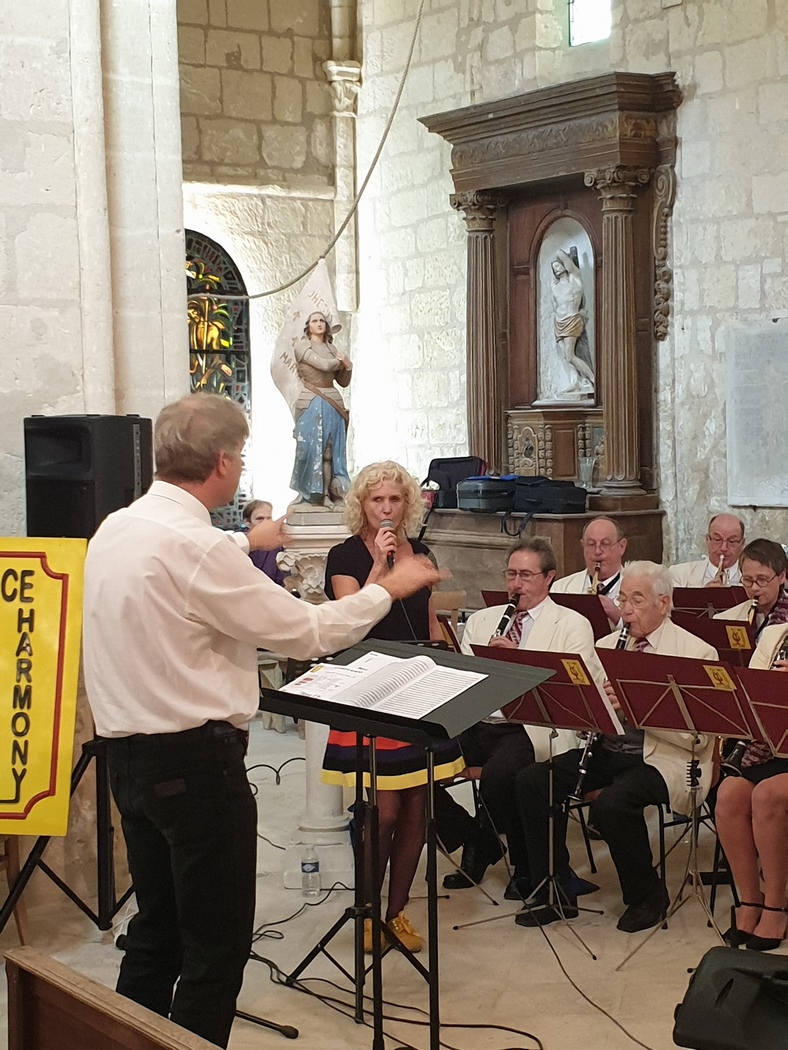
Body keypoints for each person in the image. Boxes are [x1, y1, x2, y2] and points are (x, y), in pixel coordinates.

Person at [81, 396, 441, 1048]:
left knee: (155, 936)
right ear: (221, 463)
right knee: (215, 953)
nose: (240, 464)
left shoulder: (118, 527)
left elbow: (189, 561)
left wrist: (247, 539)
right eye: (241, 456)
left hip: (128, 761)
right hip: (193, 765)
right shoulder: (196, 548)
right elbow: (307, 633)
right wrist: (390, 586)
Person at [514, 561, 718, 933]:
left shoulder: (695, 652)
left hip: (664, 757)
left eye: (636, 600)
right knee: (533, 781)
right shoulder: (607, 645)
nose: (626, 610)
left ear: (664, 603)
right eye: (622, 599)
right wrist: (588, 708)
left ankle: (646, 897)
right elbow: (590, 712)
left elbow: (699, 738)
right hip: (608, 749)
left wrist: (639, 707)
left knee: (612, 803)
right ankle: (556, 889)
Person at [321, 461, 464, 954]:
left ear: (407, 505)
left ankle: (396, 913)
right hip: (369, 690)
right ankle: (366, 911)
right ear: (360, 504)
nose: (385, 509)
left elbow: (426, 622)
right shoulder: (343, 555)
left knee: (415, 811)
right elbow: (349, 622)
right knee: (381, 812)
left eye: (394, 500)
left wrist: (449, 669)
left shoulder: (420, 552)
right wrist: (381, 569)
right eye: (376, 500)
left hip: (416, 688)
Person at [448, 537, 605, 898]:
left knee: (500, 776)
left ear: (549, 578)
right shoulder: (484, 620)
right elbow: (466, 678)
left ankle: (524, 866)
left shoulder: (571, 624)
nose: (516, 585)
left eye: (526, 576)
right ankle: (477, 838)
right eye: (511, 575)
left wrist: (518, 659)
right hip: (478, 721)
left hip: (530, 727)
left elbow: (574, 686)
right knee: (415, 761)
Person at [715, 623, 788, 952]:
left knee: (767, 795)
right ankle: (750, 900)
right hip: (776, 750)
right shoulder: (776, 635)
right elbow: (752, 697)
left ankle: (776, 905)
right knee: (729, 795)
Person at [289, 310, 352, 508]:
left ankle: (327, 494)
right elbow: (323, 365)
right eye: (314, 320)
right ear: (308, 326)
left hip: (332, 401)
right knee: (307, 449)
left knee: (330, 452)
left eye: (322, 321)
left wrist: (348, 368)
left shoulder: (332, 349)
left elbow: (342, 381)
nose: (319, 323)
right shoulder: (303, 346)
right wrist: (342, 362)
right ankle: (307, 493)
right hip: (311, 400)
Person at [551, 515, 626, 625]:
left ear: (622, 546)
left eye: (605, 544)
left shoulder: (640, 590)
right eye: (591, 544)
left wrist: (618, 618)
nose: (597, 551)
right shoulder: (559, 589)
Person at [713, 538, 788, 630]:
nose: (754, 588)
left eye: (762, 580)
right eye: (748, 580)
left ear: (781, 576)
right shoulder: (726, 619)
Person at [551, 248, 595, 393]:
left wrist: (561, 257)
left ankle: (594, 379)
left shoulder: (575, 278)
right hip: (559, 322)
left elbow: (560, 254)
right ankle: (574, 381)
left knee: (570, 356)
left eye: (558, 265)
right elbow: (554, 306)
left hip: (572, 319)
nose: (556, 269)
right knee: (565, 355)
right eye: (554, 268)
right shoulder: (554, 287)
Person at [669, 513, 745, 587]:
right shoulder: (679, 574)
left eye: (731, 541)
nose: (723, 548)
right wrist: (703, 595)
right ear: (707, 540)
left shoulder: (752, 579)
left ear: (742, 543)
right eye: (717, 540)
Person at [242, 499, 286, 585]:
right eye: (260, 518)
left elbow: (283, 582)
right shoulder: (236, 545)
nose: (265, 523)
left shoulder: (278, 546)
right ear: (247, 522)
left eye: (268, 518)